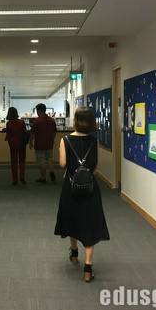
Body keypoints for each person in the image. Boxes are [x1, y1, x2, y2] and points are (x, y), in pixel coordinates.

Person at [54, 106, 110, 282]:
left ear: (75, 121)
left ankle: (74, 252)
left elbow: (62, 164)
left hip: (71, 188)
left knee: (72, 218)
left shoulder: (65, 140)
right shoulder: (94, 141)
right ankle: (88, 268)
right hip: (90, 188)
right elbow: (95, 166)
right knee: (90, 223)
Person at [28, 103, 56, 183]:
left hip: (40, 144)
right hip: (49, 143)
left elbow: (32, 133)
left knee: (42, 161)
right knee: (49, 158)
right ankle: (51, 170)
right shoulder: (51, 120)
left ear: (39, 111)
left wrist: (30, 142)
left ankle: (43, 177)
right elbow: (54, 132)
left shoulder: (37, 121)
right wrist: (52, 139)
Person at [5, 107, 27, 185]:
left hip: (13, 144)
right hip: (22, 143)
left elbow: (8, 134)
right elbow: (24, 132)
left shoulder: (9, 123)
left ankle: (15, 180)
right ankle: (22, 176)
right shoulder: (22, 122)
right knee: (22, 161)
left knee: (14, 162)